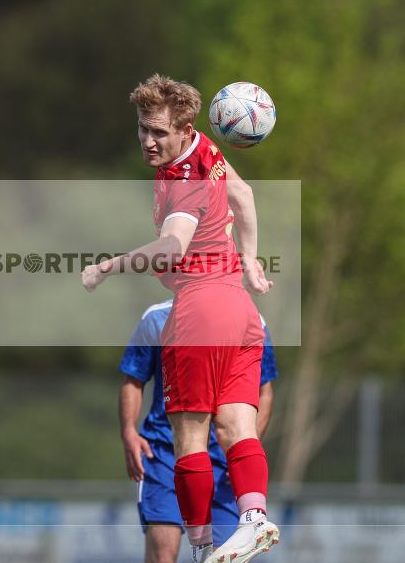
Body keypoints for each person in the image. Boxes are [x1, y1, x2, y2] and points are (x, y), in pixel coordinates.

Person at [83, 74, 278, 563]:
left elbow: (172, 246)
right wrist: (251, 261)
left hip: (200, 310)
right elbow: (246, 196)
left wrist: (108, 266)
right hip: (240, 310)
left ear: (184, 127)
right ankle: (254, 519)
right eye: (143, 130)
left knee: (189, 434)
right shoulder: (206, 146)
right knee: (237, 426)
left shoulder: (180, 178)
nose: (149, 141)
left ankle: (202, 544)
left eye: (159, 133)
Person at [119, 299, 278, 563]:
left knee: (228, 556)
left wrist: (242, 453)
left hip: (222, 460)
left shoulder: (252, 319)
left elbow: (265, 390)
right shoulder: (157, 318)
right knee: (162, 551)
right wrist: (128, 432)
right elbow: (133, 379)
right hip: (165, 451)